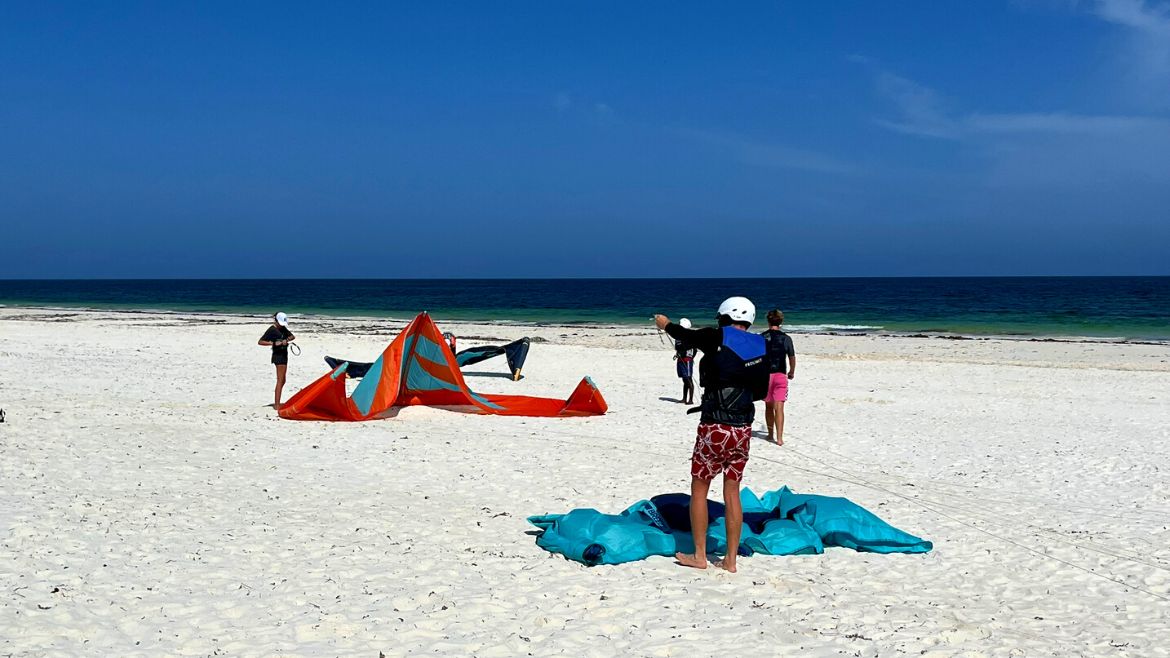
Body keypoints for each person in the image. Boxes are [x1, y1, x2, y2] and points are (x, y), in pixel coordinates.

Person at [655, 296, 768, 573]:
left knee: (700, 488)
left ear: (725, 315)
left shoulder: (716, 335)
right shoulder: (761, 344)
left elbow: (685, 335)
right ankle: (730, 560)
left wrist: (665, 323)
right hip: (743, 429)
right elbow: (762, 392)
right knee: (732, 491)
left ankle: (700, 555)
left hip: (715, 426)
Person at [760, 309, 797, 445]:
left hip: (766, 375)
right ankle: (779, 438)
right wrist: (792, 371)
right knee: (779, 407)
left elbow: (758, 357)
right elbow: (791, 357)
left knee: (768, 407)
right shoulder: (786, 338)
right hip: (780, 375)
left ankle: (770, 434)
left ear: (768, 321)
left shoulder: (762, 337)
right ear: (781, 321)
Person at [258, 312, 296, 409]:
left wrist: (286, 340)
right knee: (280, 380)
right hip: (278, 356)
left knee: (283, 380)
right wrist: (273, 343)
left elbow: (292, 336)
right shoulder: (271, 330)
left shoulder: (283, 328)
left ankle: (277, 402)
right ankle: (277, 404)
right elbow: (260, 342)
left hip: (284, 355)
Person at [673, 318, 697, 405]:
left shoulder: (689, 337)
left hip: (687, 359)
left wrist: (691, 358)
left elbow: (694, 349)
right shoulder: (678, 337)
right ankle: (684, 398)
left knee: (688, 378)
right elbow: (678, 347)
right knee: (684, 379)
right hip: (680, 359)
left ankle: (690, 399)